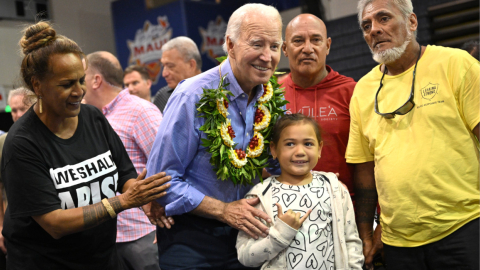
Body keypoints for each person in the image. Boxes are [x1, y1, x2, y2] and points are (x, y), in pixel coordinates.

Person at [1, 21, 171, 269]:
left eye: (81, 80)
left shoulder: (93, 117)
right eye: (66, 84)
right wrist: (124, 201)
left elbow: (124, 173)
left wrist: (143, 197)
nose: (79, 91)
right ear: (37, 85)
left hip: (101, 257)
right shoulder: (22, 143)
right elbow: (55, 223)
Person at [146, 3, 283, 269]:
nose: (267, 57)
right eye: (257, 44)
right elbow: (160, 180)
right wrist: (223, 211)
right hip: (190, 238)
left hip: (249, 235)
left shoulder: (271, 98)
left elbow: (275, 164)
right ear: (230, 45)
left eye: (275, 46)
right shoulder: (192, 95)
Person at [346, 0, 480, 269]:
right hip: (398, 245)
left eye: (384, 18)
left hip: (463, 229)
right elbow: (363, 171)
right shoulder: (362, 90)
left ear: (412, 22)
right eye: (366, 25)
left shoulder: (456, 64)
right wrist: (366, 236)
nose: (374, 30)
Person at [236, 113, 363, 269]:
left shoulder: (334, 189)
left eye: (308, 144)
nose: (300, 151)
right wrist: (280, 235)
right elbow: (245, 256)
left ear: (320, 148)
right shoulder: (260, 195)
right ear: (274, 149)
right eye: (290, 144)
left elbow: (351, 242)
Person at [83, 51, 168, 270]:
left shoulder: (140, 111)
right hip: (108, 237)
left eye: (80, 77)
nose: (76, 85)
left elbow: (168, 167)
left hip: (142, 234)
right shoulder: (91, 117)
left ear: (96, 80)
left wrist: (166, 223)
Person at [280, 14, 357, 196]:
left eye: (316, 40)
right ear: (285, 48)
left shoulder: (352, 92)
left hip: (344, 210)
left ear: (328, 45)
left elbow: (370, 161)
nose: (308, 49)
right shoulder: (271, 94)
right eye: (298, 41)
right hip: (286, 209)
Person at [153, 36, 202, 113]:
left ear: (191, 65)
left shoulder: (217, 92)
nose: (164, 74)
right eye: (163, 66)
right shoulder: (162, 97)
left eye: (170, 66)